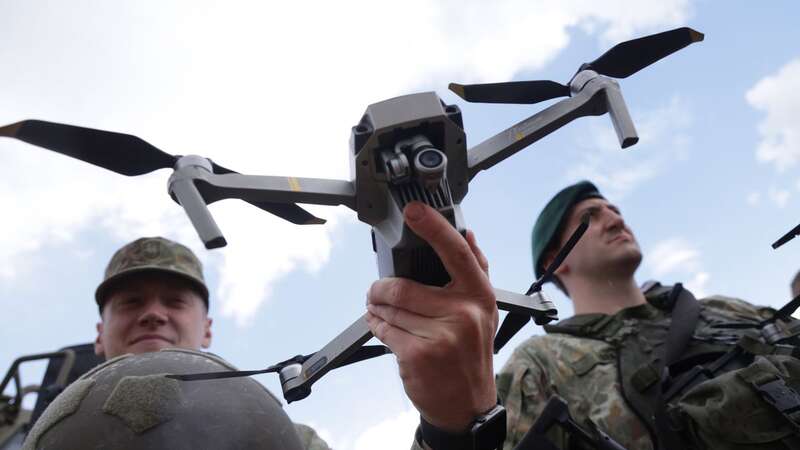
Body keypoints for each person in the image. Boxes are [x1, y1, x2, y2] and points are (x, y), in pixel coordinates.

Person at [366, 181, 800, 450]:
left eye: (614, 209)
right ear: (556, 258)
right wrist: (450, 426)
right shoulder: (541, 365)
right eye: (590, 216)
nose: (612, 217)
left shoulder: (725, 310)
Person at [91, 236, 331, 449]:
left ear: (207, 330)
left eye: (175, 302)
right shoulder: (53, 425)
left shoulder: (285, 438)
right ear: (100, 334)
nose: (153, 314)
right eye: (132, 302)